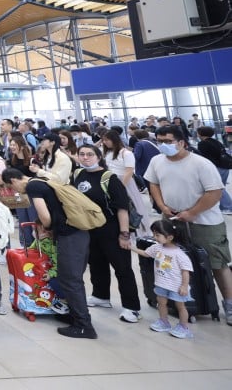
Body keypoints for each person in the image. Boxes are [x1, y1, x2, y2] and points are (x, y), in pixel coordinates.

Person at [145, 125, 232, 326]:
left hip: (204, 222)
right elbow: (154, 183)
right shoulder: (157, 161)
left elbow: (215, 192)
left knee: (216, 263)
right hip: (172, 221)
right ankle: (184, 301)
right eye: (160, 141)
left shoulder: (201, 164)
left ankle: (229, 304)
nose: (163, 145)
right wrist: (161, 205)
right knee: (175, 262)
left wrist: (192, 213)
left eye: (168, 141)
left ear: (182, 142)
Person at [2, 167, 96, 339]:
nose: (15, 192)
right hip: (78, 234)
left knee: (70, 280)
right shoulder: (42, 181)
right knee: (71, 279)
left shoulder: (32, 187)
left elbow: (45, 218)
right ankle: (75, 316)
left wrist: (47, 230)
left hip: (70, 236)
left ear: (13, 181)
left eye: (13, 188)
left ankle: (84, 325)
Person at [71, 144, 142, 323]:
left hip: (112, 229)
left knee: (122, 268)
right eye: (82, 154)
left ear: (98, 156)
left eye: (89, 154)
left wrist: (124, 234)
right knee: (96, 263)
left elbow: (122, 208)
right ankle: (100, 295)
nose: (85, 158)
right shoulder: (78, 175)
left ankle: (132, 307)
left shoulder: (109, 178)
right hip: (90, 229)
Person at [129, 219, 195, 339]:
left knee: (180, 307)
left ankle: (184, 327)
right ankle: (164, 322)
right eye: (154, 234)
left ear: (169, 237)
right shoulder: (157, 247)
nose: (154, 237)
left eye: (157, 235)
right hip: (161, 284)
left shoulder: (179, 254)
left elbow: (186, 271)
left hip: (176, 286)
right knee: (161, 303)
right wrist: (131, 248)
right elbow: (146, 253)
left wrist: (184, 286)